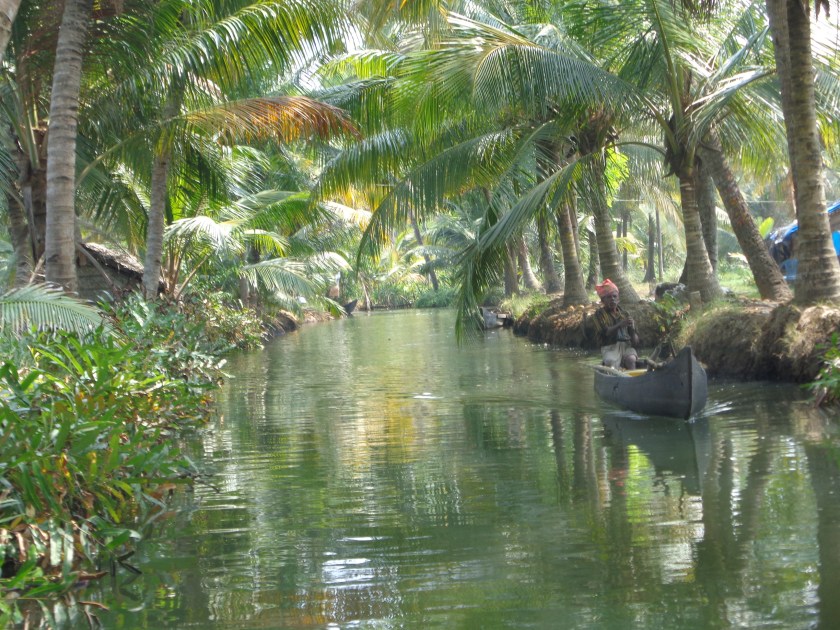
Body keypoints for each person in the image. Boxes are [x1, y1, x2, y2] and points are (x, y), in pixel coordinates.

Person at [589, 279, 639, 369]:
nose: (612, 299)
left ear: (618, 299)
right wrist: (620, 324)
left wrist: (632, 329)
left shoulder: (625, 314)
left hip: (626, 346)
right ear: (602, 300)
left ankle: (633, 379)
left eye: (614, 296)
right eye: (608, 297)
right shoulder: (598, 315)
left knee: (631, 360)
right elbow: (606, 333)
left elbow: (635, 342)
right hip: (609, 348)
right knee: (611, 363)